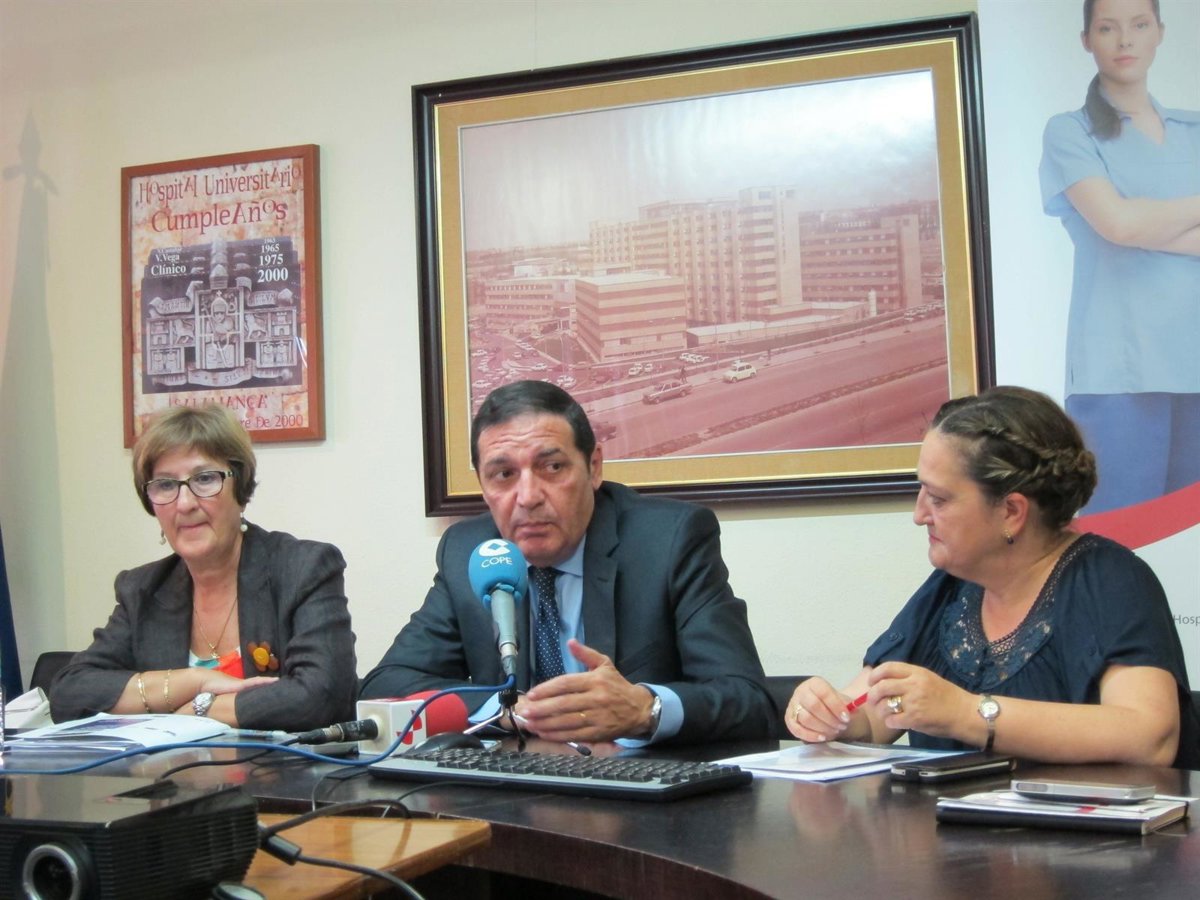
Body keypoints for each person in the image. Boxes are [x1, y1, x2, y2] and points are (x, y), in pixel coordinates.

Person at [786, 386, 1199, 768]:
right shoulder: (952, 587)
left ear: (1011, 512)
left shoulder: (1109, 580)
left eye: (938, 498)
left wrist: (967, 713)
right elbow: (876, 717)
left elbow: (1149, 737)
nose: (919, 514)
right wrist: (832, 715)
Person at [360, 380, 774, 745]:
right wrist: (504, 708)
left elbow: (748, 698)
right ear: (483, 487)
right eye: (503, 475)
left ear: (593, 467)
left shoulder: (668, 541)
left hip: (639, 791)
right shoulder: (471, 552)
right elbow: (385, 684)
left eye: (552, 467)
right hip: (516, 789)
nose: (528, 497)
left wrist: (645, 709)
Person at [49, 405, 357, 730]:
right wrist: (194, 682)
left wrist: (196, 711)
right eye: (165, 485)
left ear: (240, 487)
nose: (185, 503)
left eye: (205, 479)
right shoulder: (143, 589)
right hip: (174, 765)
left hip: (281, 763)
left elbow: (322, 696)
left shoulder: (303, 568)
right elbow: (70, 695)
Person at [1039, 0, 1200, 514]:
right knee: (1122, 537)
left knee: (1191, 544)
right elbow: (1117, 224)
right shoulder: (1070, 132)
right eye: (1107, 28)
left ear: (1159, 32)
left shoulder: (1195, 131)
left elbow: (1126, 226)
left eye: (1139, 24)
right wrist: (1130, 225)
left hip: (1194, 360)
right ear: (1086, 39)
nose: (1125, 40)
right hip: (1118, 372)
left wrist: (1138, 225)